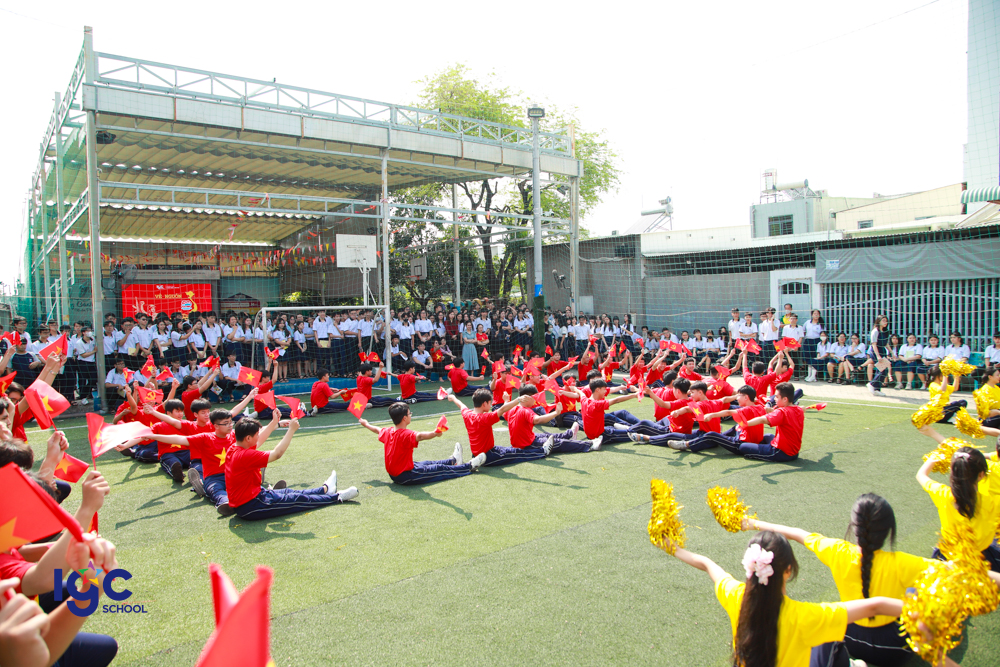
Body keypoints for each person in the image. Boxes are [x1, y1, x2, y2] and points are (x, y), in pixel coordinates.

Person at [653, 531, 905, 667]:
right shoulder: (805, 616)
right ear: (788, 571)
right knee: (831, 645)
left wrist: (673, 547)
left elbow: (708, 565)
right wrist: (918, 606)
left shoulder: (737, 597)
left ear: (751, 569)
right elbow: (875, 605)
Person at [743, 494, 936, 667]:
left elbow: (797, 533)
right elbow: (947, 572)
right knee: (915, 592)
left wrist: (753, 523)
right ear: (888, 530)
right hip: (895, 650)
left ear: (854, 526)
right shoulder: (904, 563)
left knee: (823, 621)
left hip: (849, 639)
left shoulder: (838, 551)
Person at [225, 413, 357, 520]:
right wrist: (291, 430)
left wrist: (274, 423)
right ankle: (337, 497)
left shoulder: (234, 447)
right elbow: (277, 454)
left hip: (254, 495)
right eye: (256, 434)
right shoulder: (244, 455)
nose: (259, 436)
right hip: (251, 505)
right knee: (296, 499)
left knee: (290, 492)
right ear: (248, 438)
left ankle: (325, 489)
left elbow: (259, 440)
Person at [917, 446, 1000, 571]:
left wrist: (933, 458)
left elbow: (921, 475)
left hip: (949, 560)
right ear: (981, 475)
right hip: (983, 560)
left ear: (952, 470)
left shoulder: (943, 494)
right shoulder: (993, 502)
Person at [361, 402, 485, 485]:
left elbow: (377, 429)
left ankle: (453, 461)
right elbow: (420, 436)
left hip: (397, 472)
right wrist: (435, 433)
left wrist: (366, 424)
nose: (410, 415)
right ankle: (469, 466)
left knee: (427, 463)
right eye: (409, 413)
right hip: (404, 476)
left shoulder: (388, 431)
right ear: (404, 418)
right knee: (439, 469)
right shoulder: (405, 434)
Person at [445, 389, 549, 466]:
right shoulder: (485, 418)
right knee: (517, 454)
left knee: (513, 450)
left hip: (479, 453)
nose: (490, 405)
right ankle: (542, 451)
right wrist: (518, 400)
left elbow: (461, 405)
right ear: (484, 403)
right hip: (489, 456)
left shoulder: (467, 414)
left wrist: (453, 397)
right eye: (489, 403)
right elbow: (502, 409)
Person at [507, 385, 597, 453]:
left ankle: (570, 434)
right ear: (527, 398)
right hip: (528, 444)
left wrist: (506, 400)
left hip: (523, 440)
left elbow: (503, 410)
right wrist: (556, 413)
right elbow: (538, 420)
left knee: (547, 435)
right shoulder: (525, 410)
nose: (535, 401)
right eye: (535, 398)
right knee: (558, 442)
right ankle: (590, 445)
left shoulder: (512, 408)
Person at [739, 383, 804, 463]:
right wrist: (771, 410)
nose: (775, 399)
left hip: (780, 452)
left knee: (743, 446)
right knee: (767, 436)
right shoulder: (799, 410)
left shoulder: (781, 412)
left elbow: (762, 419)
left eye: (777, 397)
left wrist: (744, 424)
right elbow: (799, 409)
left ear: (785, 399)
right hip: (794, 452)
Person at [865, 315, 892, 397]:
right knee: (883, 370)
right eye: (883, 320)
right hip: (876, 351)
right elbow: (873, 344)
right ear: (878, 321)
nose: (885, 322)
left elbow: (886, 343)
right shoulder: (875, 331)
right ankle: (872, 384)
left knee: (882, 370)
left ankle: (877, 389)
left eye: (886, 320)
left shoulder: (885, 331)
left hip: (883, 351)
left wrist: (892, 353)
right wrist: (878, 356)